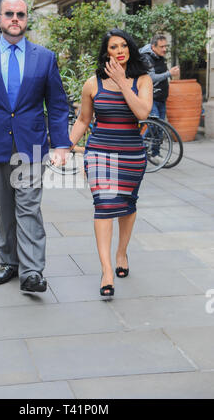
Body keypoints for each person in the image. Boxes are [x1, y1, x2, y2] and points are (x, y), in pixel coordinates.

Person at [0, 0, 71, 293]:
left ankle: (32, 271)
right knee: (3, 207)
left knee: (29, 207)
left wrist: (61, 145)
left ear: (27, 18)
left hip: (31, 144)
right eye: (9, 13)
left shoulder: (44, 57)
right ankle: (9, 261)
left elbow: (57, 105)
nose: (15, 18)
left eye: (20, 13)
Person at [69, 29, 152, 296]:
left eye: (124, 46)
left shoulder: (142, 80)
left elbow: (142, 113)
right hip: (100, 152)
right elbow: (83, 120)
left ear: (130, 50)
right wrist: (64, 146)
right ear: (106, 52)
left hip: (131, 153)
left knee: (127, 206)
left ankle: (121, 254)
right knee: (104, 205)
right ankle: (106, 270)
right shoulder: (93, 83)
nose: (120, 51)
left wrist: (123, 82)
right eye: (114, 47)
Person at [140, 35, 180, 160]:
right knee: (154, 124)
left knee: (160, 128)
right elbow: (151, 78)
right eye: (162, 47)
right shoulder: (146, 58)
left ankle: (155, 153)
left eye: (165, 46)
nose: (164, 49)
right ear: (153, 47)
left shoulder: (159, 57)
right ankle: (140, 148)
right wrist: (169, 73)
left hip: (161, 98)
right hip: (150, 98)